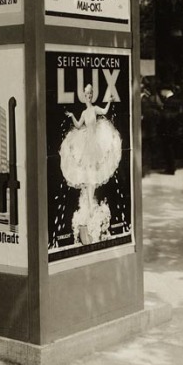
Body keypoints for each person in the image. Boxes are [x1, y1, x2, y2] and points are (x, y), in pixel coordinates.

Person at [62, 84, 122, 245]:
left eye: (90, 94)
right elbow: (78, 125)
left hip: (95, 142)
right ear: (84, 95)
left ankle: (90, 207)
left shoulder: (94, 108)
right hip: (86, 142)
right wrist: (71, 116)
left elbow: (104, 112)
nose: (88, 96)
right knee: (87, 176)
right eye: (86, 94)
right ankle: (88, 206)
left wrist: (109, 101)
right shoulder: (84, 112)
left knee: (93, 176)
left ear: (92, 95)